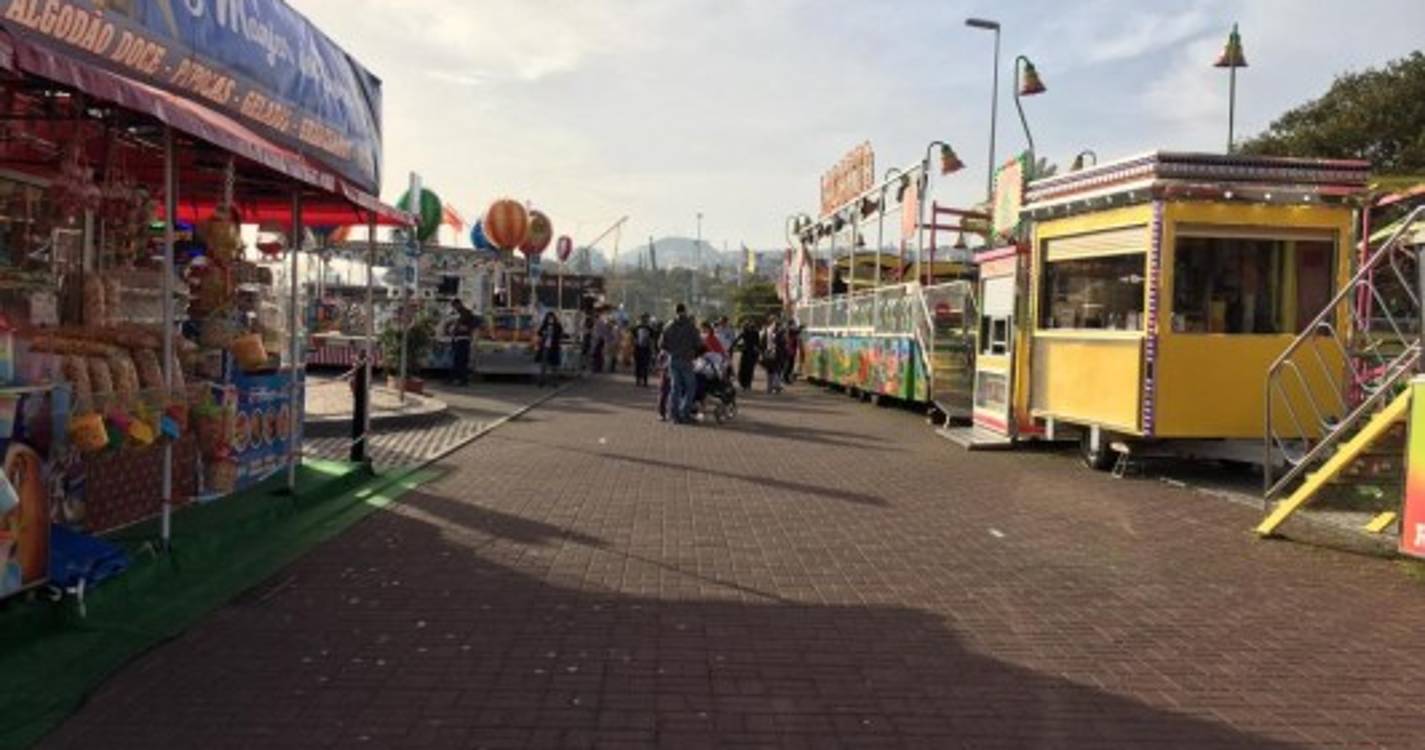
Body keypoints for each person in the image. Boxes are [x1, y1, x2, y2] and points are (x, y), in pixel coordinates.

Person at [659, 303, 702, 424]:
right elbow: (698, 343)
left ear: (675, 311)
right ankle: (684, 413)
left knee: (675, 389)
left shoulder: (668, 325)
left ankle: (674, 416)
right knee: (690, 387)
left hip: (673, 359)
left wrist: (672, 350)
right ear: (685, 311)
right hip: (687, 359)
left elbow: (661, 344)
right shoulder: (691, 326)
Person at [446, 299, 478, 386]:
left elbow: (469, 326)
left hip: (463, 338)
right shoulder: (462, 313)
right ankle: (457, 378)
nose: (455, 308)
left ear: (458, 304)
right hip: (459, 338)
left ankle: (461, 379)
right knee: (459, 360)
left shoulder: (466, 313)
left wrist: (458, 328)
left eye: (455, 306)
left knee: (460, 360)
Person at [535, 311, 563, 387]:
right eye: (549, 318)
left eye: (551, 318)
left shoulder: (557, 326)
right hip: (545, 347)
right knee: (543, 365)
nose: (550, 320)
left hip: (554, 348)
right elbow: (539, 333)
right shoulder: (544, 325)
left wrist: (553, 332)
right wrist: (544, 333)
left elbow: (560, 334)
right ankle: (541, 381)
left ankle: (555, 382)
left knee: (554, 366)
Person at [733, 319, 760, 391]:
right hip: (751, 353)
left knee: (744, 369)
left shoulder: (745, 332)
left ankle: (744, 385)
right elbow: (757, 344)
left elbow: (736, 340)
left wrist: (734, 347)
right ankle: (747, 385)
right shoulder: (755, 332)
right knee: (749, 369)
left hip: (746, 352)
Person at [760, 315, 784, 394]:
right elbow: (763, 342)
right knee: (772, 370)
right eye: (775, 322)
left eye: (777, 322)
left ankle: (772, 387)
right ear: (771, 322)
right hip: (771, 353)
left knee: (774, 370)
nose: (776, 324)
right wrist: (763, 352)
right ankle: (772, 386)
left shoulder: (778, 331)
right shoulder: (768, 330)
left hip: (775, 353)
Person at [632, 313, 655, 387]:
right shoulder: (649, 329)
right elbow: (652, 340)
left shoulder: (637, 328)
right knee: (644, 365)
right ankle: (642, 381)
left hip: (639, 348)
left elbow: (634, 339)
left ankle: (640, 380)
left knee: (640, 365)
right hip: (644, 349)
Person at [782, 318, 801, 385]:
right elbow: (796, 331)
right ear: (791, 323)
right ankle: (785, 378)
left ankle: (786, 378)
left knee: (790, 364)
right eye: (793, 323)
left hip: (790, 349)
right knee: (789, 364)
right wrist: (800, 328)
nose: (794, 324)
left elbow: (796, 332)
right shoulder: (789, 329)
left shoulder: (789, 329)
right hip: (790, 349)